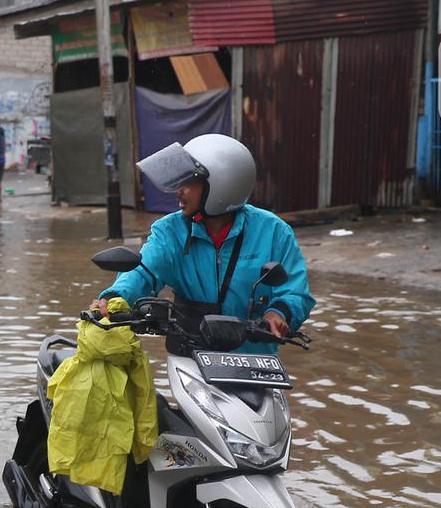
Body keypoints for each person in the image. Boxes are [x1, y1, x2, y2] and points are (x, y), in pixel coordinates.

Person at [91, 134, 314, 355]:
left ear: (221, 185)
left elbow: (296, 293)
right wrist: (113, 299)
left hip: (255, 360)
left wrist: (279, 313)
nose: (179, 190)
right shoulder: (169, 231)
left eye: (188, 182)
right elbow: (143, 272)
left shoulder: (273, 231)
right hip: (190, 357)